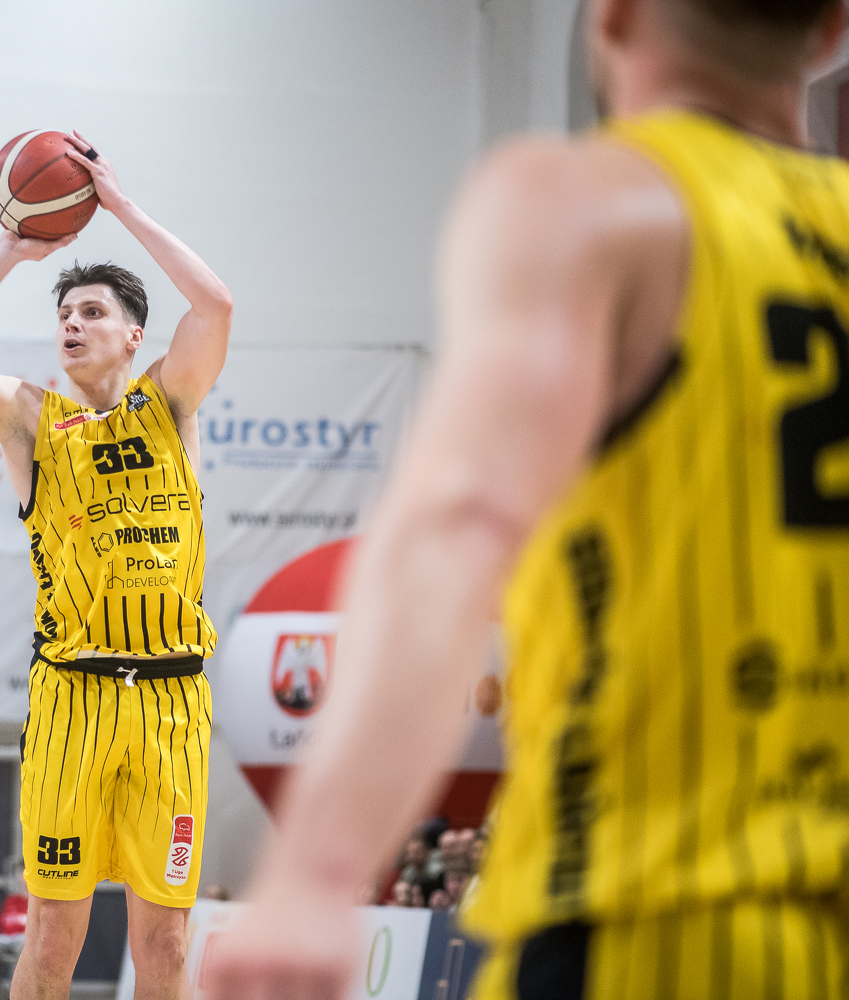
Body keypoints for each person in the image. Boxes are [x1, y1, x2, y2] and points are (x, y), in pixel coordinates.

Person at [204, 1, 849, 998]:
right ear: (833, 30)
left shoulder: (592, 200)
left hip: (650, 919)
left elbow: (459, 524)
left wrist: (315, 877)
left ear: (613, 14)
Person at [0, 133, 232, 1000]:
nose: (73, 325)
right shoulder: (30, 419)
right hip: (72, 697)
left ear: (134, 335)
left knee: (166, 942)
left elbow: (216, 303)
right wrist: (11, 249)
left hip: (172, 701)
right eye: (64, 316)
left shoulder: (172, 401)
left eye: (92, 312)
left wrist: (120, 206)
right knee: (53, 936)